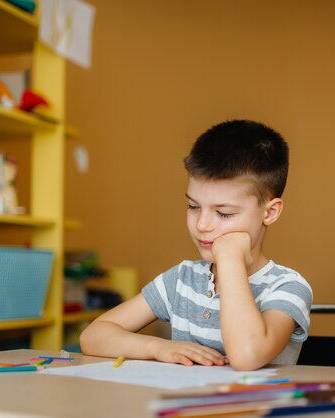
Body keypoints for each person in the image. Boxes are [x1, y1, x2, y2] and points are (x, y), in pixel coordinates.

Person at [80, 120, 312, 371]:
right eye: (193, 207)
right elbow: (93, 336)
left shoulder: (287, 287)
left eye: (223, 213)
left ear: (270, 212)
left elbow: (247, 355)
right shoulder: (182, 278)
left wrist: (230, 260)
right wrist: (158, 348)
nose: (202, 224)